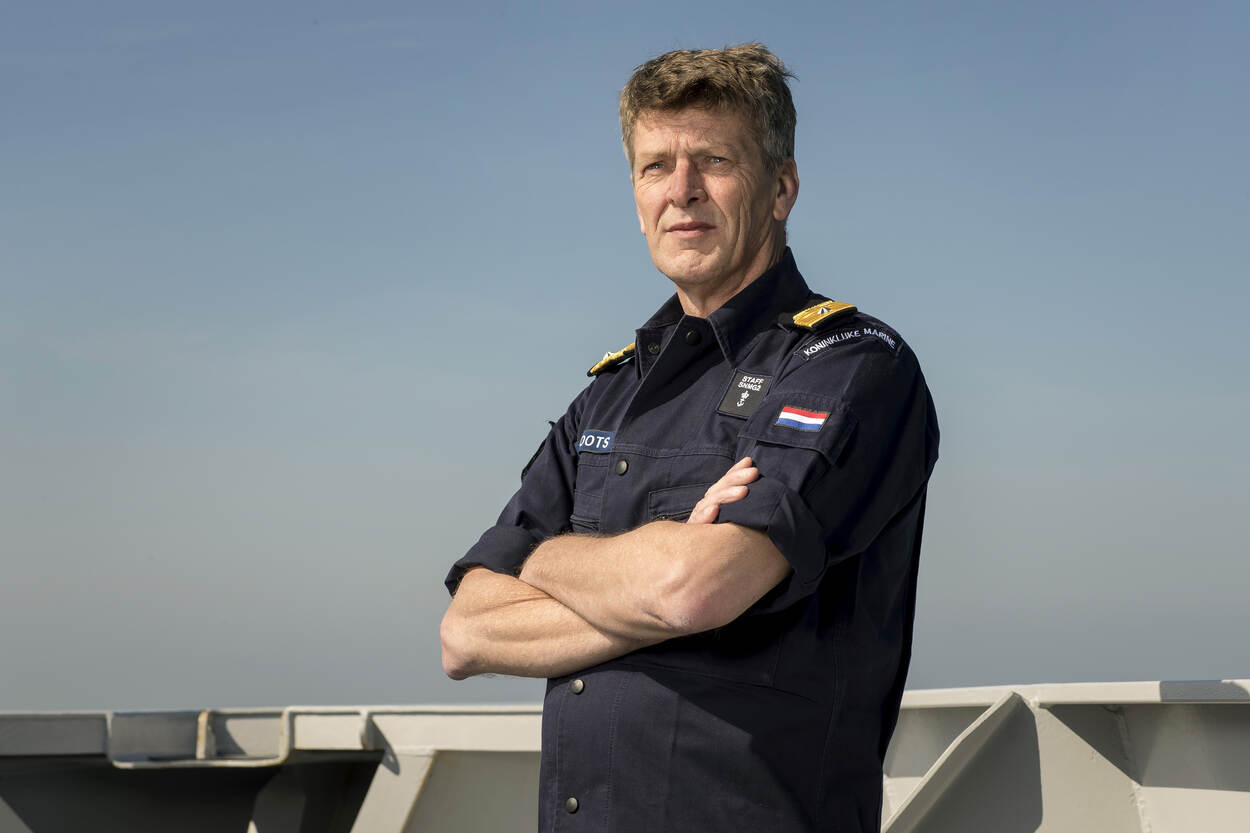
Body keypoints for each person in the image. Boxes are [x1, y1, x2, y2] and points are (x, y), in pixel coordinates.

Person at [441, 43, 939, 833]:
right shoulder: (607, 394)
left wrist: (541, 561)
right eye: (655, 166)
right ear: (636, 196)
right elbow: (467, 630)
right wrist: (660, 569)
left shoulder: (850, 365)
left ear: (781, 188)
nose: (682, 190)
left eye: (714, 160)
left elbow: (694, 588)